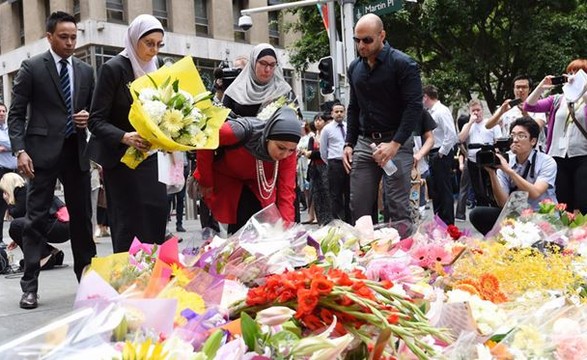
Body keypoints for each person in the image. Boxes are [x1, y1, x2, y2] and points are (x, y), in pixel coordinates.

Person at [8, 11, 96, 309]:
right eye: (64, 37)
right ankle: (30, 286)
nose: (71, 42)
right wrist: (20, 150)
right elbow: (16, 114)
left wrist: (87, 118)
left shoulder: (85, 71)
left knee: (83, 220)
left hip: (76, 153)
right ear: (49, 36)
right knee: (34, 221)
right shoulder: (32, 67)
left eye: (74, 37)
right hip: (40, 155)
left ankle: (87, 281)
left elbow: (95, 115)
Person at [88, 14, 168, 253]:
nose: (153, 50)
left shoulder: (159, 69)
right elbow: (96, 120)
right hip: (122, 162)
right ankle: (128, 280)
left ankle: (154, 276)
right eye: (149, 43)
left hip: (152, 159)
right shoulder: (113, 69)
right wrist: (124, 136)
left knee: (156, 214)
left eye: (158, 44)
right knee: (128, 222)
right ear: (134, 40)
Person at [343, 13, 423, 234]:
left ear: (382, 35)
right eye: (357, 40)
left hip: (396, 142)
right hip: (364, 142)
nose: (361, 45)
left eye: (367, 40)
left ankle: (404, 259)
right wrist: (348, 143)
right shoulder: (354, 68)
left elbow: (414, 107)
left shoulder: (403, 64)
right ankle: (363, 257)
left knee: (396, 206)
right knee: (358, 205)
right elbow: (353, 107)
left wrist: (395, 144)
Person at [194, 107, 301, 235]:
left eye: (291, 150)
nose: (284, 155)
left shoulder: (289, 152)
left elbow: (286, 190)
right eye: (280, 147)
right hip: (226, 179)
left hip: (259, 186)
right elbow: (207, 140)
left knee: (263, 230)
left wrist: (287, 231)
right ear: (267, 137)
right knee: (233, 228)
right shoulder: (238, 131)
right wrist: (206, 180)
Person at [470, 117, 557, 235]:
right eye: (513, 135)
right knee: (477, 214)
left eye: (521, 136)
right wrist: (492, 173)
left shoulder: (547, 161)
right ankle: (505, 242)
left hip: (542, 216)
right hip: (517, 216)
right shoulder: (506, 161)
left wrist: (509, 171)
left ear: (533, 141)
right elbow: (503, 203)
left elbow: (535, 192)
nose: (515, 140)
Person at [524, 59, 587, 214]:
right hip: (557, 155)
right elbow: (529, 105)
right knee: (563, 203)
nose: (572, 77)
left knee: (583, 200)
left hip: (583, 155)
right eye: (570, 73)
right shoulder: (558, 99)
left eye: (578, 73)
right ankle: (568, 236)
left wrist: (583, 90)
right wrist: (542, 86)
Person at [1, 173, 68, 271]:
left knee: (15, 227)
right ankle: (53, 252)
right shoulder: (27, 190)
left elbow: (18, 216)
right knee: (19, 226)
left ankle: (42, 257)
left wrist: (8, 203)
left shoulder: (22, 192)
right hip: (62, 224)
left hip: (58, 225)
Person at [223, 43, 296, 117]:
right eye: (263, 63)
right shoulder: (235, 91)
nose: (267, 69)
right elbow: (223, 122)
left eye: (272, 65)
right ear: (253, 62)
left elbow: (297, 121)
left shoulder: (284, 91)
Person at [422, 85, 458, 225]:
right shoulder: (431, 111)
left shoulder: (441, 111)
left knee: (444, 190)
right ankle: (439, 221)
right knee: (436, 190)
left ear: (426, 96)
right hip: (434, 153)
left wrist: (441, 152)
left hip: (440, 153)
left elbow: (451, 134)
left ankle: (448, 223)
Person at [458, 99, 502, 207]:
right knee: (478, 190)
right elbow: (461, 139)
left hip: (489, 160)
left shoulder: (491, 123)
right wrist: (470, 123)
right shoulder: (468, 126)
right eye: (473, 111)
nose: (476, 113)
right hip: (473, 161)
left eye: (478, 110)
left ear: (482, 110)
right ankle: (481, 207)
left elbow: (498, 142)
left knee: (491, 188)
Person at [486, 75, 547, 148]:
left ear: (530, 89)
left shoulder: (537, 106)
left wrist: (525, 114)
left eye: (524, 87)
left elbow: (538, 128)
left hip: (531, 151)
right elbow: (488, 125)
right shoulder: (506, 107)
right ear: (513, 89)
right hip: (510, 152)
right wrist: (501, 112)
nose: (521, 90)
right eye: (518, 87)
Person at [320, 102, 351, 223]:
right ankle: (338, 222)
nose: (339, 114)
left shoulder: (348, 127)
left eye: (341, 111)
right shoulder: (327, 129)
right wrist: (330, 163)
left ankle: (350, 222)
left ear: (344, 113)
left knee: (349, 194)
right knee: (335, 195)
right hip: (335, 164)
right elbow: (323, 150)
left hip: (349, 163)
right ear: (332, 113)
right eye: (336, 111)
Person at [304, 114, 332, 225]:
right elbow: (310, 153)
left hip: (325, 166)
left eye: (320, 120)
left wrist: (312, 153)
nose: (318, 122)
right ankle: (320, 219)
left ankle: (330, 218)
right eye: (316, 120)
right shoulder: (312, 137)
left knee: (327, 193)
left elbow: (322, 153)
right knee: (316, 194)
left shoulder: (327, 135)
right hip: (315, 168)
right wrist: (312, 153)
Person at [0, 102, 17, 247]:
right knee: (1, 207)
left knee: (20, 207)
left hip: (16, 173)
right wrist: (13, 144)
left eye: (3, 111)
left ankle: (20, 238)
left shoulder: (11, 128)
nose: (1, 113)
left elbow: (17, 142)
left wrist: (5, 146)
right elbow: (14, 143)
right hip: (2, 172)